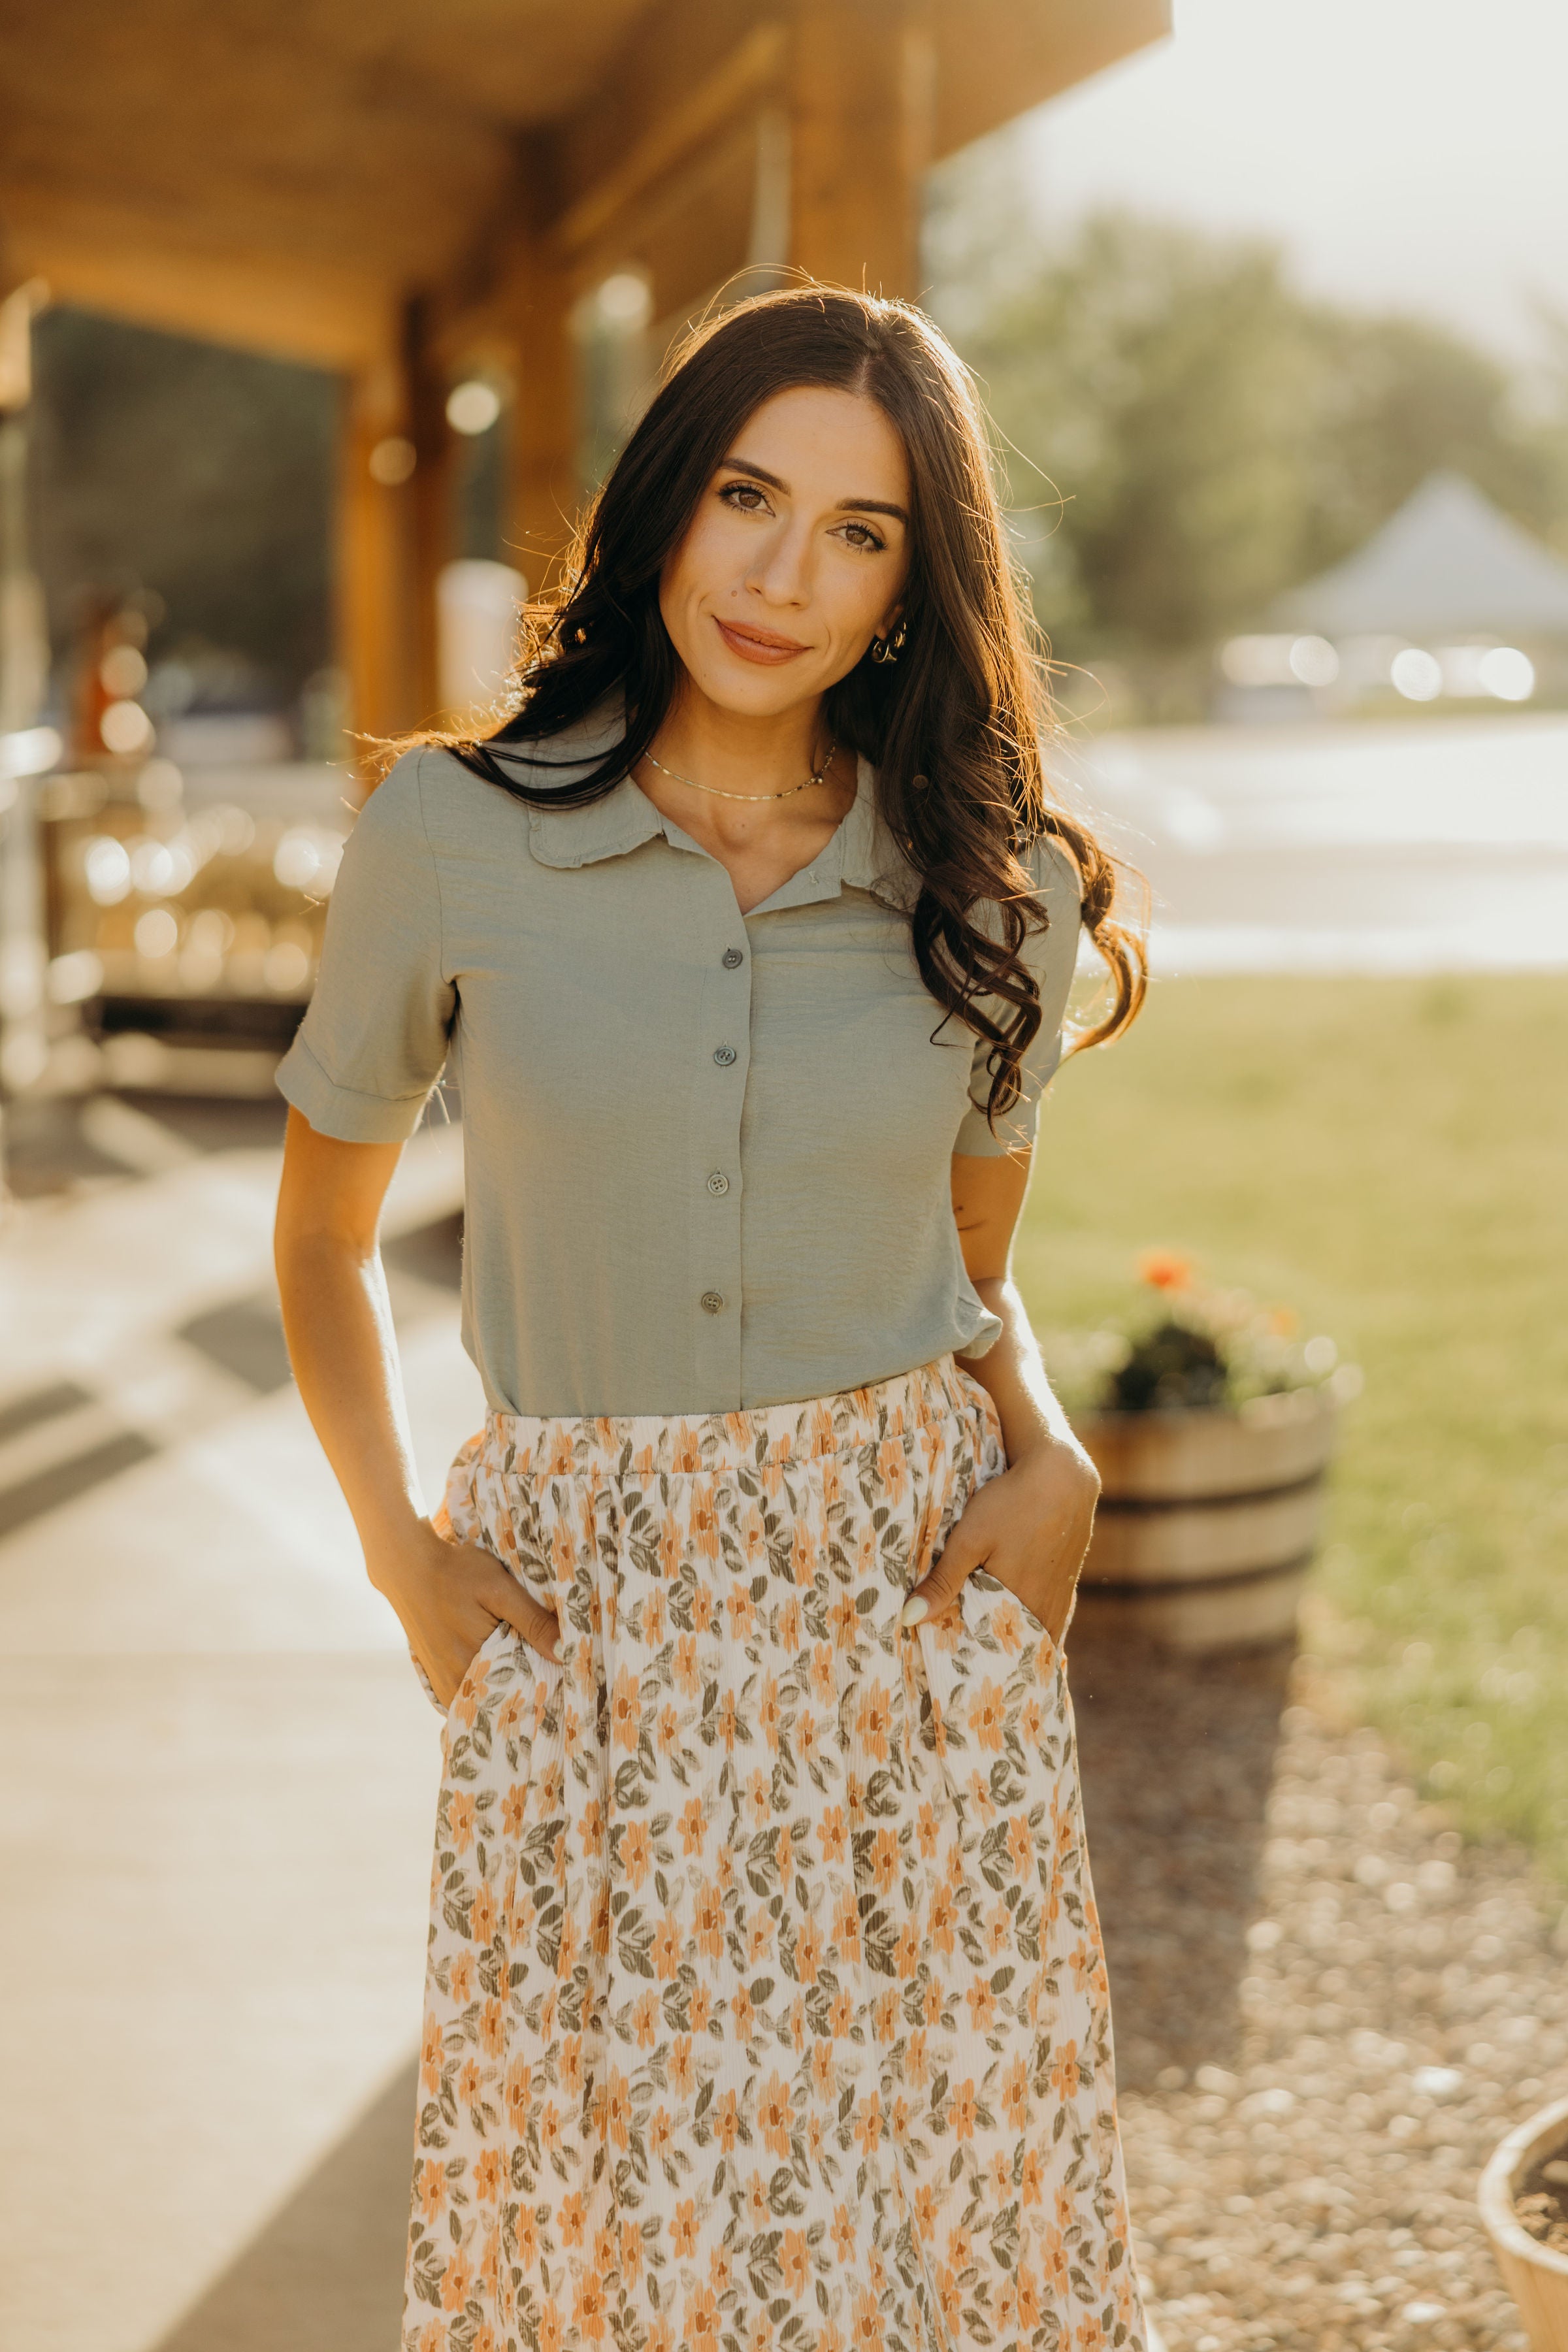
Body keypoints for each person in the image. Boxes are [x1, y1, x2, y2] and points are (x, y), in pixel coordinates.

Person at [273, 284, 1149, 2352]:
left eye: (859, 531)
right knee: (605, 2260)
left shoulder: (988, 880)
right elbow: (319, 1240)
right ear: (667, 504)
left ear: (914, 583)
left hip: (909, 1634)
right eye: (750, 496)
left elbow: (973, 1272)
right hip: (593, 1643)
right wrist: (401, 1552)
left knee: (944, 2251)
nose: (782, 574)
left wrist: (1049, 1452)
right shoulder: (449, 837)